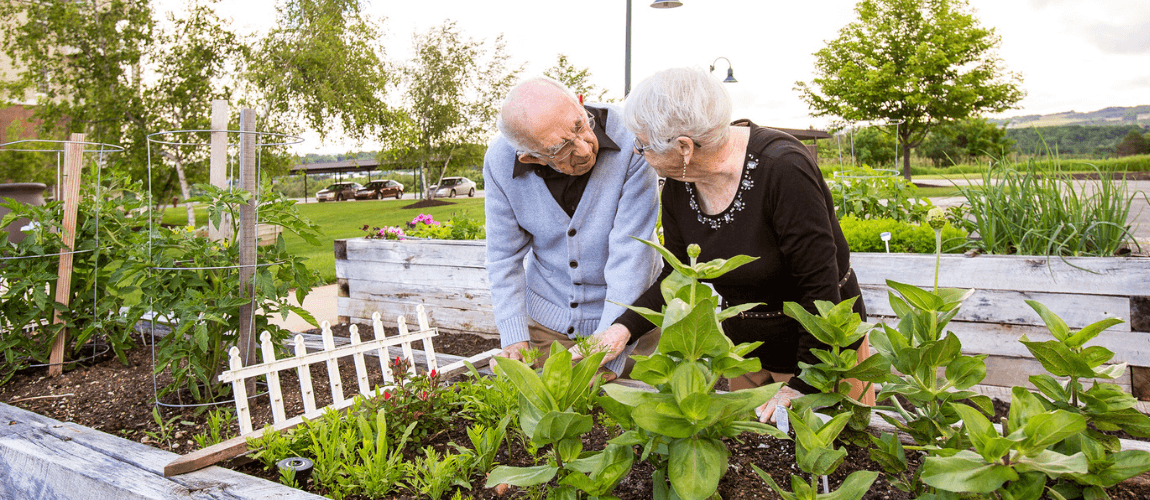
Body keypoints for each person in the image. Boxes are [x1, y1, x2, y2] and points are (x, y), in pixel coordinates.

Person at [589, 67, 867, 422]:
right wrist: (622, 328)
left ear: (684, 147)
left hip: (821, 350)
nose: (639, 153)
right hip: (748, 351)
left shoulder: (783, 168)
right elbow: (679, 274)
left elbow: (820, 288)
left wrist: (806, 385)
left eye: (642, 145)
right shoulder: (681, 181)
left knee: (828, 460)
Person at [483, 77, 662, 379]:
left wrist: (608, 355)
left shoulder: (633, 139)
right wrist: (514, 338)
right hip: (549, 322)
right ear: (531, 158)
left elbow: (632, 256)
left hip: (629, 322)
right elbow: (503, 258)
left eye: (580, 126)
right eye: (560, 148)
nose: (583, 149)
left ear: (579, 104)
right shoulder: (500, 163)